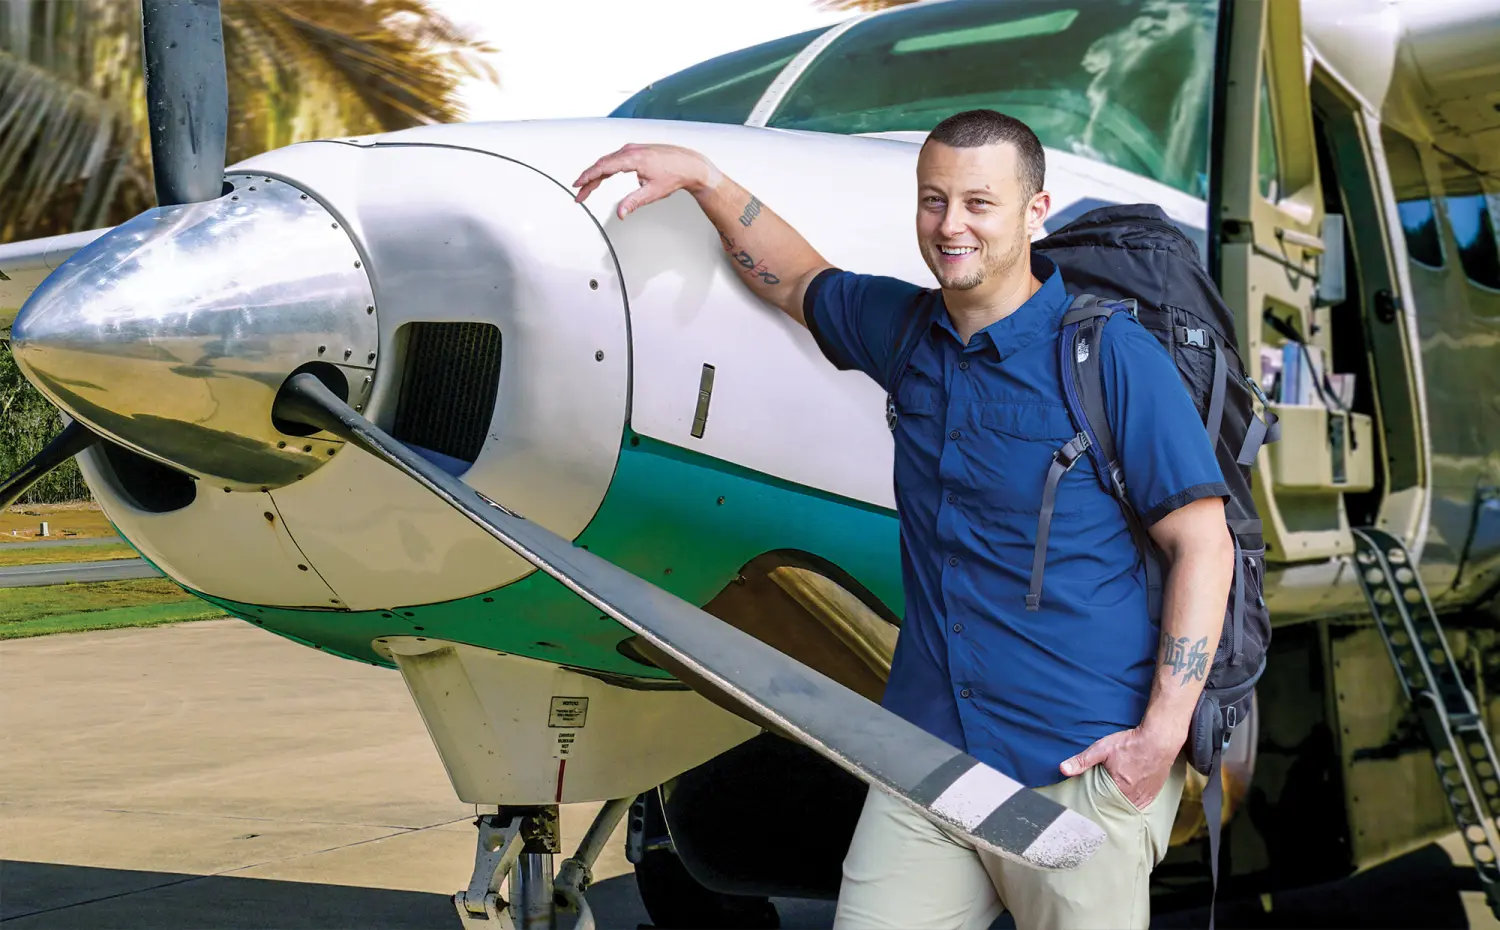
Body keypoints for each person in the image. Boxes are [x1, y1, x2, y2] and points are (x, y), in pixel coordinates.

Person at [573, 109, 1235, 930]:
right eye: (934, 200)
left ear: (1034, 212)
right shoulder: (909, 333)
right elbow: (795, 278)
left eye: (979, 203)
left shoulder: (1112, 358)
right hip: (932, 760)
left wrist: (1159, 739)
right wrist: (706, 178)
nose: (951, 225)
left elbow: (1203, 543)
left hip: (1073, 770)